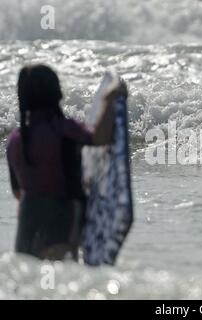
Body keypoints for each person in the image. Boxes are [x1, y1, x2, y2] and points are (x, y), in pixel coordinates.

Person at [6, 64, 127, 261]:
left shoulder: (15, 140)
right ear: (57, 92)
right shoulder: (62, 129)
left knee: (32, 272)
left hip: (28, 216)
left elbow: (18, 192)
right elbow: (100, 137)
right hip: (62, 211)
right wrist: (110, 98)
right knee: (61, 267)